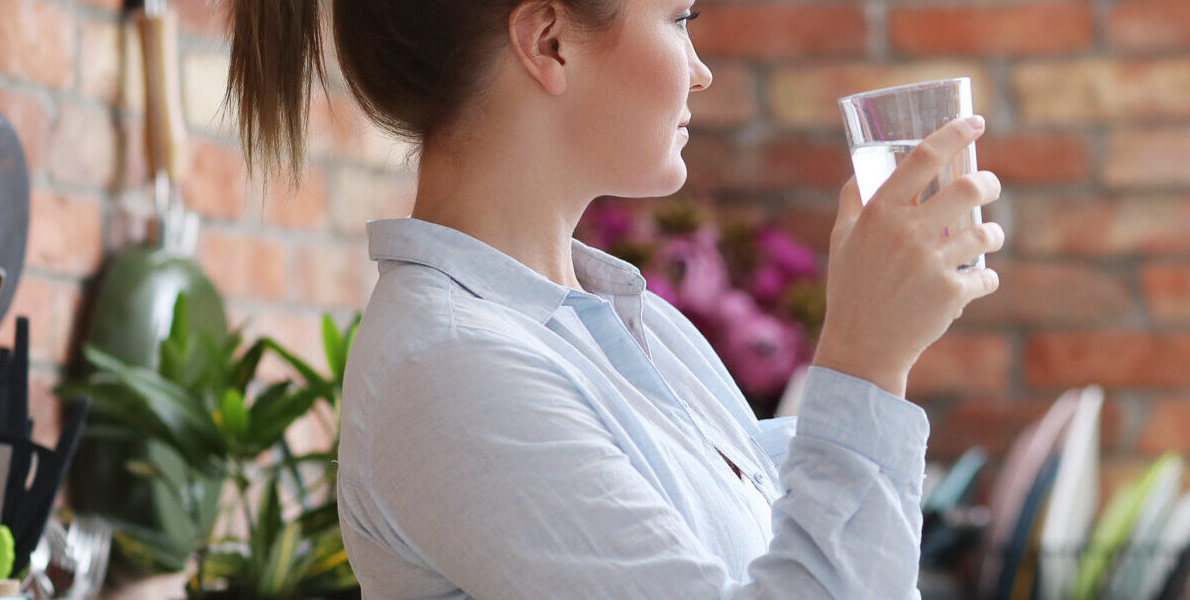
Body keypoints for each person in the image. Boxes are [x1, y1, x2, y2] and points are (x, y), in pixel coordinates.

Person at [226, 0, 1004, 597]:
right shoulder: (453, 369)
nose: (700, 70)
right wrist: (867, 361)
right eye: (678, 18)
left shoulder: (636, 326)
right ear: (548, 43)